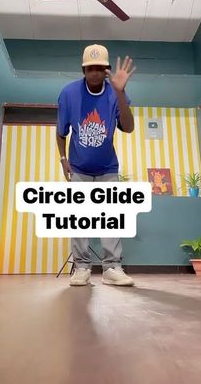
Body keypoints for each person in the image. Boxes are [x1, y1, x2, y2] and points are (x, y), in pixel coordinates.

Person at [56, 44, 136, 286]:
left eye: (99, 68)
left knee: (110, 216)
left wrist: (120, 93)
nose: (94, 73)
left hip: (107, 168)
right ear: (83, 70)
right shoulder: (69, 94)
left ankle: (112, 268)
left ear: (107, 71)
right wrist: (63, 160)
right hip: (79, 169)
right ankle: (81, 268)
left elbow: (129, 127)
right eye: (90, 68)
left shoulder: (115, 93)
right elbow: (61, 133)